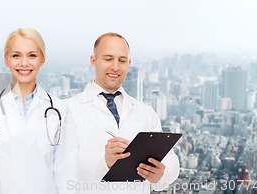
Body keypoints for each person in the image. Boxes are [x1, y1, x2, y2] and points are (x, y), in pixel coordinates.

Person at [0, 28, 76, 194]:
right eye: (16, 55)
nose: (24, 63)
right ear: (6, 60)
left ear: (42, 59)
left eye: (32, 55)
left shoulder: (60, 111)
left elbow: (66, 171)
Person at [64, 32, 180, 193]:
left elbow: (171, 161)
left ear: (129, 63)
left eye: (122, 60)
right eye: (108, 58)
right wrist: (104, 162)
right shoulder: (66, 110)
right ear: (93, 60)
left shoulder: (145, 112)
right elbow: (59, 166)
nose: (115, 67)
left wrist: (162, 173)